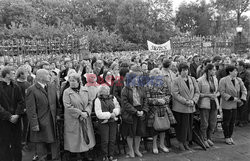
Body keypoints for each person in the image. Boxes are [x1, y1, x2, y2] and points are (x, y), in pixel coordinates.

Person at [26, 69, 59, 161]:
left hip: (52, 121)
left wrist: (58, 115)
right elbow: (30, 109)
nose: (50, 76)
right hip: (40, 122)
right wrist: (34, 124)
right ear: (40, 77)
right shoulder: (31, 90)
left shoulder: (52, 87)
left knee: (54, 146)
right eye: (47, 74)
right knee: (41, 148)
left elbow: (57, 103)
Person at [63, 73, 96, 157]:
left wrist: (87, 112)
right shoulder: (67, 92)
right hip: (74, 118)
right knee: (76, 138)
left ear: (78, 81)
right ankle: (78, 156)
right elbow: (67, 106)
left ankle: (87, 155)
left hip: (85, 117)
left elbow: (90, 102)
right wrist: (80, 113)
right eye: (70, 81)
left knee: (86, 135)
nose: (71, 82)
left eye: (73, 81)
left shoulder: (85, 90)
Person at [121, 67, 149, 158]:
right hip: (130, 113)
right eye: (135, 79)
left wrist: (143, 111)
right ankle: (131, 150)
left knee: (138, 132)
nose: (137, 80)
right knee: (130, 133)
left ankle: (136, 149)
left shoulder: (141, 88)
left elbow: (145, 99)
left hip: (140, 111)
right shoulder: (125, 90)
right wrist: (135, 111)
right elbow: (125, 103)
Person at [171, 62, 200, 151]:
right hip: (180, 108)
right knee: (181, 126)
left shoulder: (192, 79)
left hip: (191, 107)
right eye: (183, 70)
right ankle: (181, 142)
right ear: (180, 71)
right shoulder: (176, 80)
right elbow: (175, 94)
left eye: (186, 70)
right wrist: (186, 101)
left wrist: (194, 101)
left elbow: (197, 92)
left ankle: (186, 142)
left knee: (188, 126)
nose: (185, 72)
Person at [0, 66, 25, 161]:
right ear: (6, 75)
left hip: (16, 121)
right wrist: (9, 116)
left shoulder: (16, 86)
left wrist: (17, 115)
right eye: (12, 73)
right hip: (3, 121)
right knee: (4, 144)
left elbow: (21, 102)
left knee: (17, 144)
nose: (15, 74)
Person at [145, 68, 172, 154]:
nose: (158, 77)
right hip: (154, 109)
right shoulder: (148, 85)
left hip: (164, 108)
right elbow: (147, 99)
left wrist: (165, 100)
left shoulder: (164, 84)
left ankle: (162, 145)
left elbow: (168, 95)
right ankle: (154, 146)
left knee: (163, 127)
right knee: (155, 129)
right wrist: (157, 101)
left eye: (159, 75)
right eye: (156, 75)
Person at [219, 65, 247, 145]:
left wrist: (242, 98)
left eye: (236, 71)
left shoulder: (239, 80)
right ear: (229, 72)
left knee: (232, 121)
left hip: (236, 104)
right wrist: (232, 98)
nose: (236, 72)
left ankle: (230, 136)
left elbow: (244, 89)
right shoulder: (223, 80)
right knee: (226, 121)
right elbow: (222, 92)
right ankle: (226, 136)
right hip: (227, 103)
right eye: (234, 71)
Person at [94, 86, 121, 161]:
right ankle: (105, 156)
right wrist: (109, 115)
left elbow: (118, 107)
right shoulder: (97, 100)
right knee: (105, 140)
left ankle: (111, 155)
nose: (107, 92)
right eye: (105, 91)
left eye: (107, 90)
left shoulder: (113, 98)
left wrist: (115, 113)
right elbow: (98, 113)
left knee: (112, 139)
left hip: (112, 121)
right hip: (103, 122)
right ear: (101, 92)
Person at [197, 64, 220, 148]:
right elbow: (198, 94)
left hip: (214, 103)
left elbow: (218, 91)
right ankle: (204, 139)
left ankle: (209, 137)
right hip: (204, 104)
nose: (215, 71)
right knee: (204, 123)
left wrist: (216, 95)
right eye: (213, 70)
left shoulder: (215, 79)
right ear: (209, 70)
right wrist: (208, 95)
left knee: (212, 122)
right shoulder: (200, 80)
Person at [15, 66, 31, 150]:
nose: (28, 74)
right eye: (26, 73)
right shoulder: (15, 84)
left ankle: (24, 143)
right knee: (18, 128)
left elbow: (28, 97)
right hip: (17, 110)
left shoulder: (27, 83)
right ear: (21, 74)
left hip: (27, 109)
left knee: (26, 127)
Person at [237, 61, 250, 126]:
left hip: (245, 91)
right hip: (238, 91)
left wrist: (240, 85)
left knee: (244, 105)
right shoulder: (237, 72)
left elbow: (247, 82)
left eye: (238, 65)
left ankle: (243, 121)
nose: (237, 66)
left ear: (242, 66)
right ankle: (238, 120)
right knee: (239, 105)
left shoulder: (247, 73)